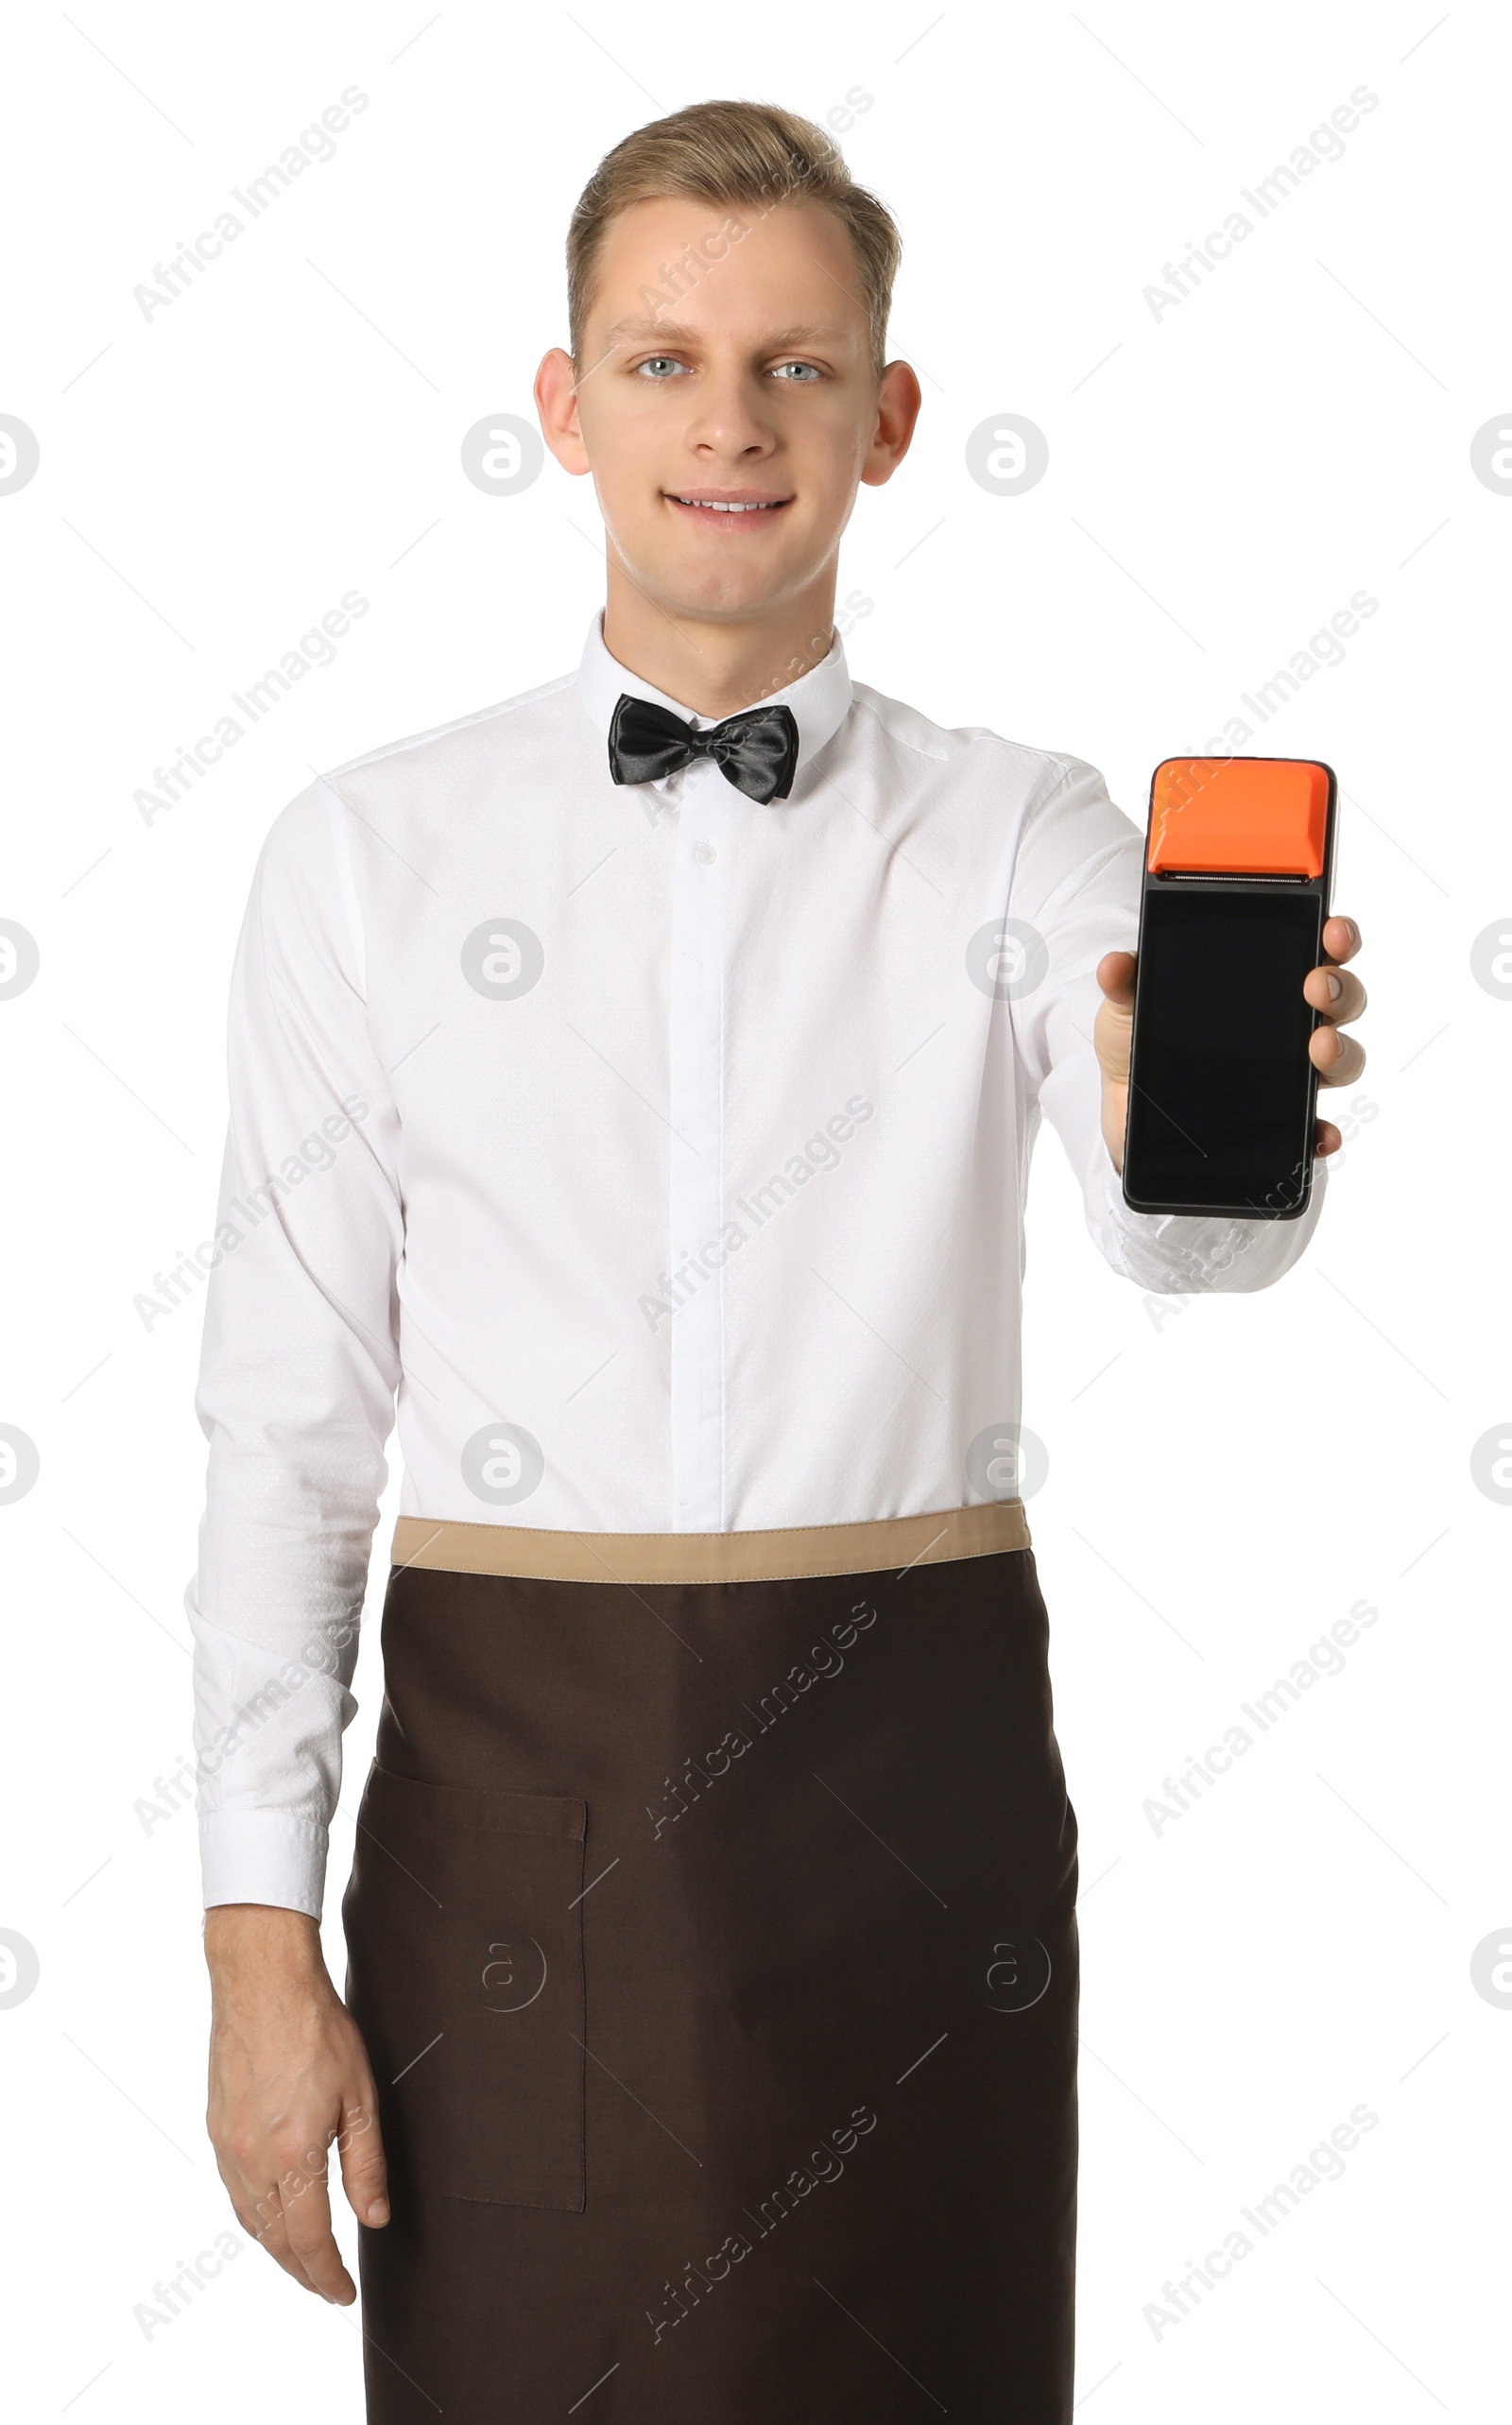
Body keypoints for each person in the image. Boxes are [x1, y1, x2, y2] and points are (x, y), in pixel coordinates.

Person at [191, 97, 1367, 2424]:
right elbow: (285, 1427)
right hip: (505, 1846)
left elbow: (1187, 1248)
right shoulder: (359, 855)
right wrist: (253, 1941)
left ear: (886, 416)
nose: (728, 421)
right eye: (660, 361)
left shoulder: (1029, 826)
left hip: (904, 1823)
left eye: (796, 367)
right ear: (562, 405)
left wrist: (1216, 1119)